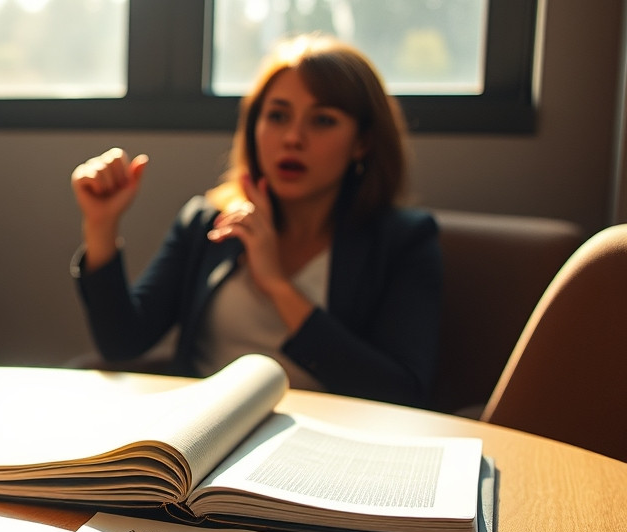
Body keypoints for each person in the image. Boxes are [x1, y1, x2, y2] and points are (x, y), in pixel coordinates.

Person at [69, 34, 440, 408]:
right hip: (205, 431)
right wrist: (101, 226)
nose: (293, 138)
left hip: (327, 442)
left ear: (362, 143)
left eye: (323, 120)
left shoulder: (403, 241)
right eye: (277, 116)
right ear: (254, 127)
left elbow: (402, 392)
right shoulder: (208, 222)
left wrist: (279, 286)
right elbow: (122, 344)